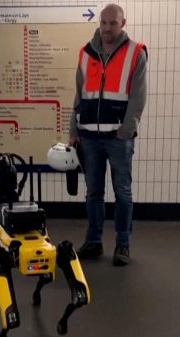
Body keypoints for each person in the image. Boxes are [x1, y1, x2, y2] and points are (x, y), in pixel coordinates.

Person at [69, 3, 147, 266]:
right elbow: (79, 96)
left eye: (113, 23)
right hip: (89, 136)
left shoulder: (136, 53)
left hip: (118, 138)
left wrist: (126, 131)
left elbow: (138, 97)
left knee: (122, 193)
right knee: (93, 193)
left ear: (122, 24)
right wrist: (73, 130)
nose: (106, 28)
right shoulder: (85, 53)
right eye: (103, 22)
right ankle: (93, 241)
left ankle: (122, 245)